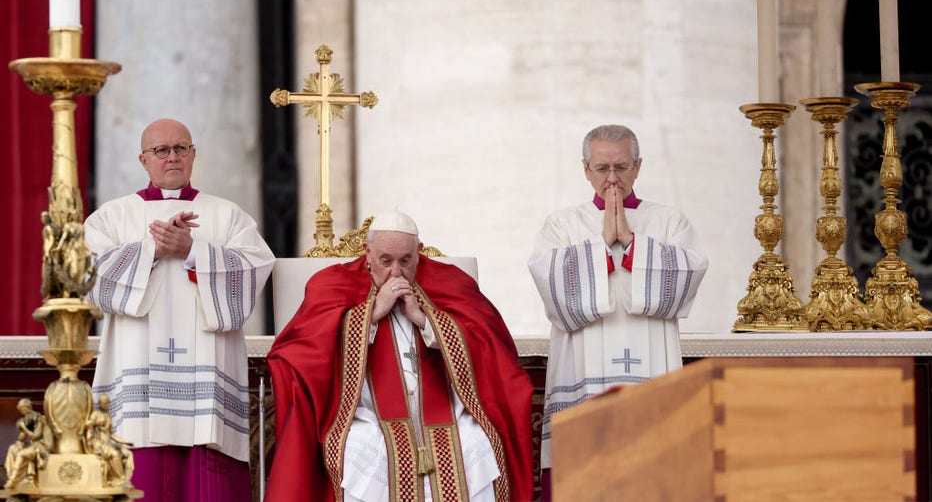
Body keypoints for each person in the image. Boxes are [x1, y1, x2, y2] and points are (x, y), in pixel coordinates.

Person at [266, 211, 534, 501]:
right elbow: (298, 353)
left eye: (405, 261)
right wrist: (370, 315)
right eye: (386, 261)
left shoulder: (451, 282)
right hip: (365, 415)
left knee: (475, 443)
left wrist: (425, 321)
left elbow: (491, 345)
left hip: (447, 412)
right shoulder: (331, 284)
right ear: (367, 253)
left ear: (418, 254)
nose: (396, 272)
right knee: (359, 449)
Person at [84, 118, 275, 502]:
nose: (172, 157)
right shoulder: (112, 216)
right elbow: (90, 277)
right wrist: (152, 249)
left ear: (193, 154)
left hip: (207, 378)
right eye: (161, 150)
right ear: (143, 159)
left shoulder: (227, 215)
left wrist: (192, 251)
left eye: (180, 148)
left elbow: (255, 268)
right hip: (138, 378)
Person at [528, 124, 708, 496]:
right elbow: (555, 292)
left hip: (651, 368)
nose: (612, 179)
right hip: (582, 366)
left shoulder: (669, 220)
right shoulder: (561, 224)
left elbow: (686, 279)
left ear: (638, 167)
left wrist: (630, 242)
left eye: (622, 168)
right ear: (585, 169)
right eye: (601, 168)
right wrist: (602, 245)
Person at [83, 394, 135, 488]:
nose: (106, 405)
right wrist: (92, 423)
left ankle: (126, 480)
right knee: (114, 454)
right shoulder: (96, 413)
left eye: (107, 403)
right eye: (104, 403)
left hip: (107, 443)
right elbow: (87, 424)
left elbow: (111, 435)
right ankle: (120, 479)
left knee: (127, 453)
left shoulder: (108, 415)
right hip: (97, 444)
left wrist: (125, 442)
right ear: (100, 403)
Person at [3, 398, 53, 489]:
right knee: (13, 448)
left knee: (22, 454)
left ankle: (13, 481)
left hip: (42, 446)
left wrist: (23, 427)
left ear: (27, 407)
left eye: (23, 409)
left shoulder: (38, 418)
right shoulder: (28, 418)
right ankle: (14, 477)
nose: (22, 412)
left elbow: (36, 436)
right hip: (33, 444)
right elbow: (22, 437)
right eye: (21, 411)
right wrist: (19, 441)